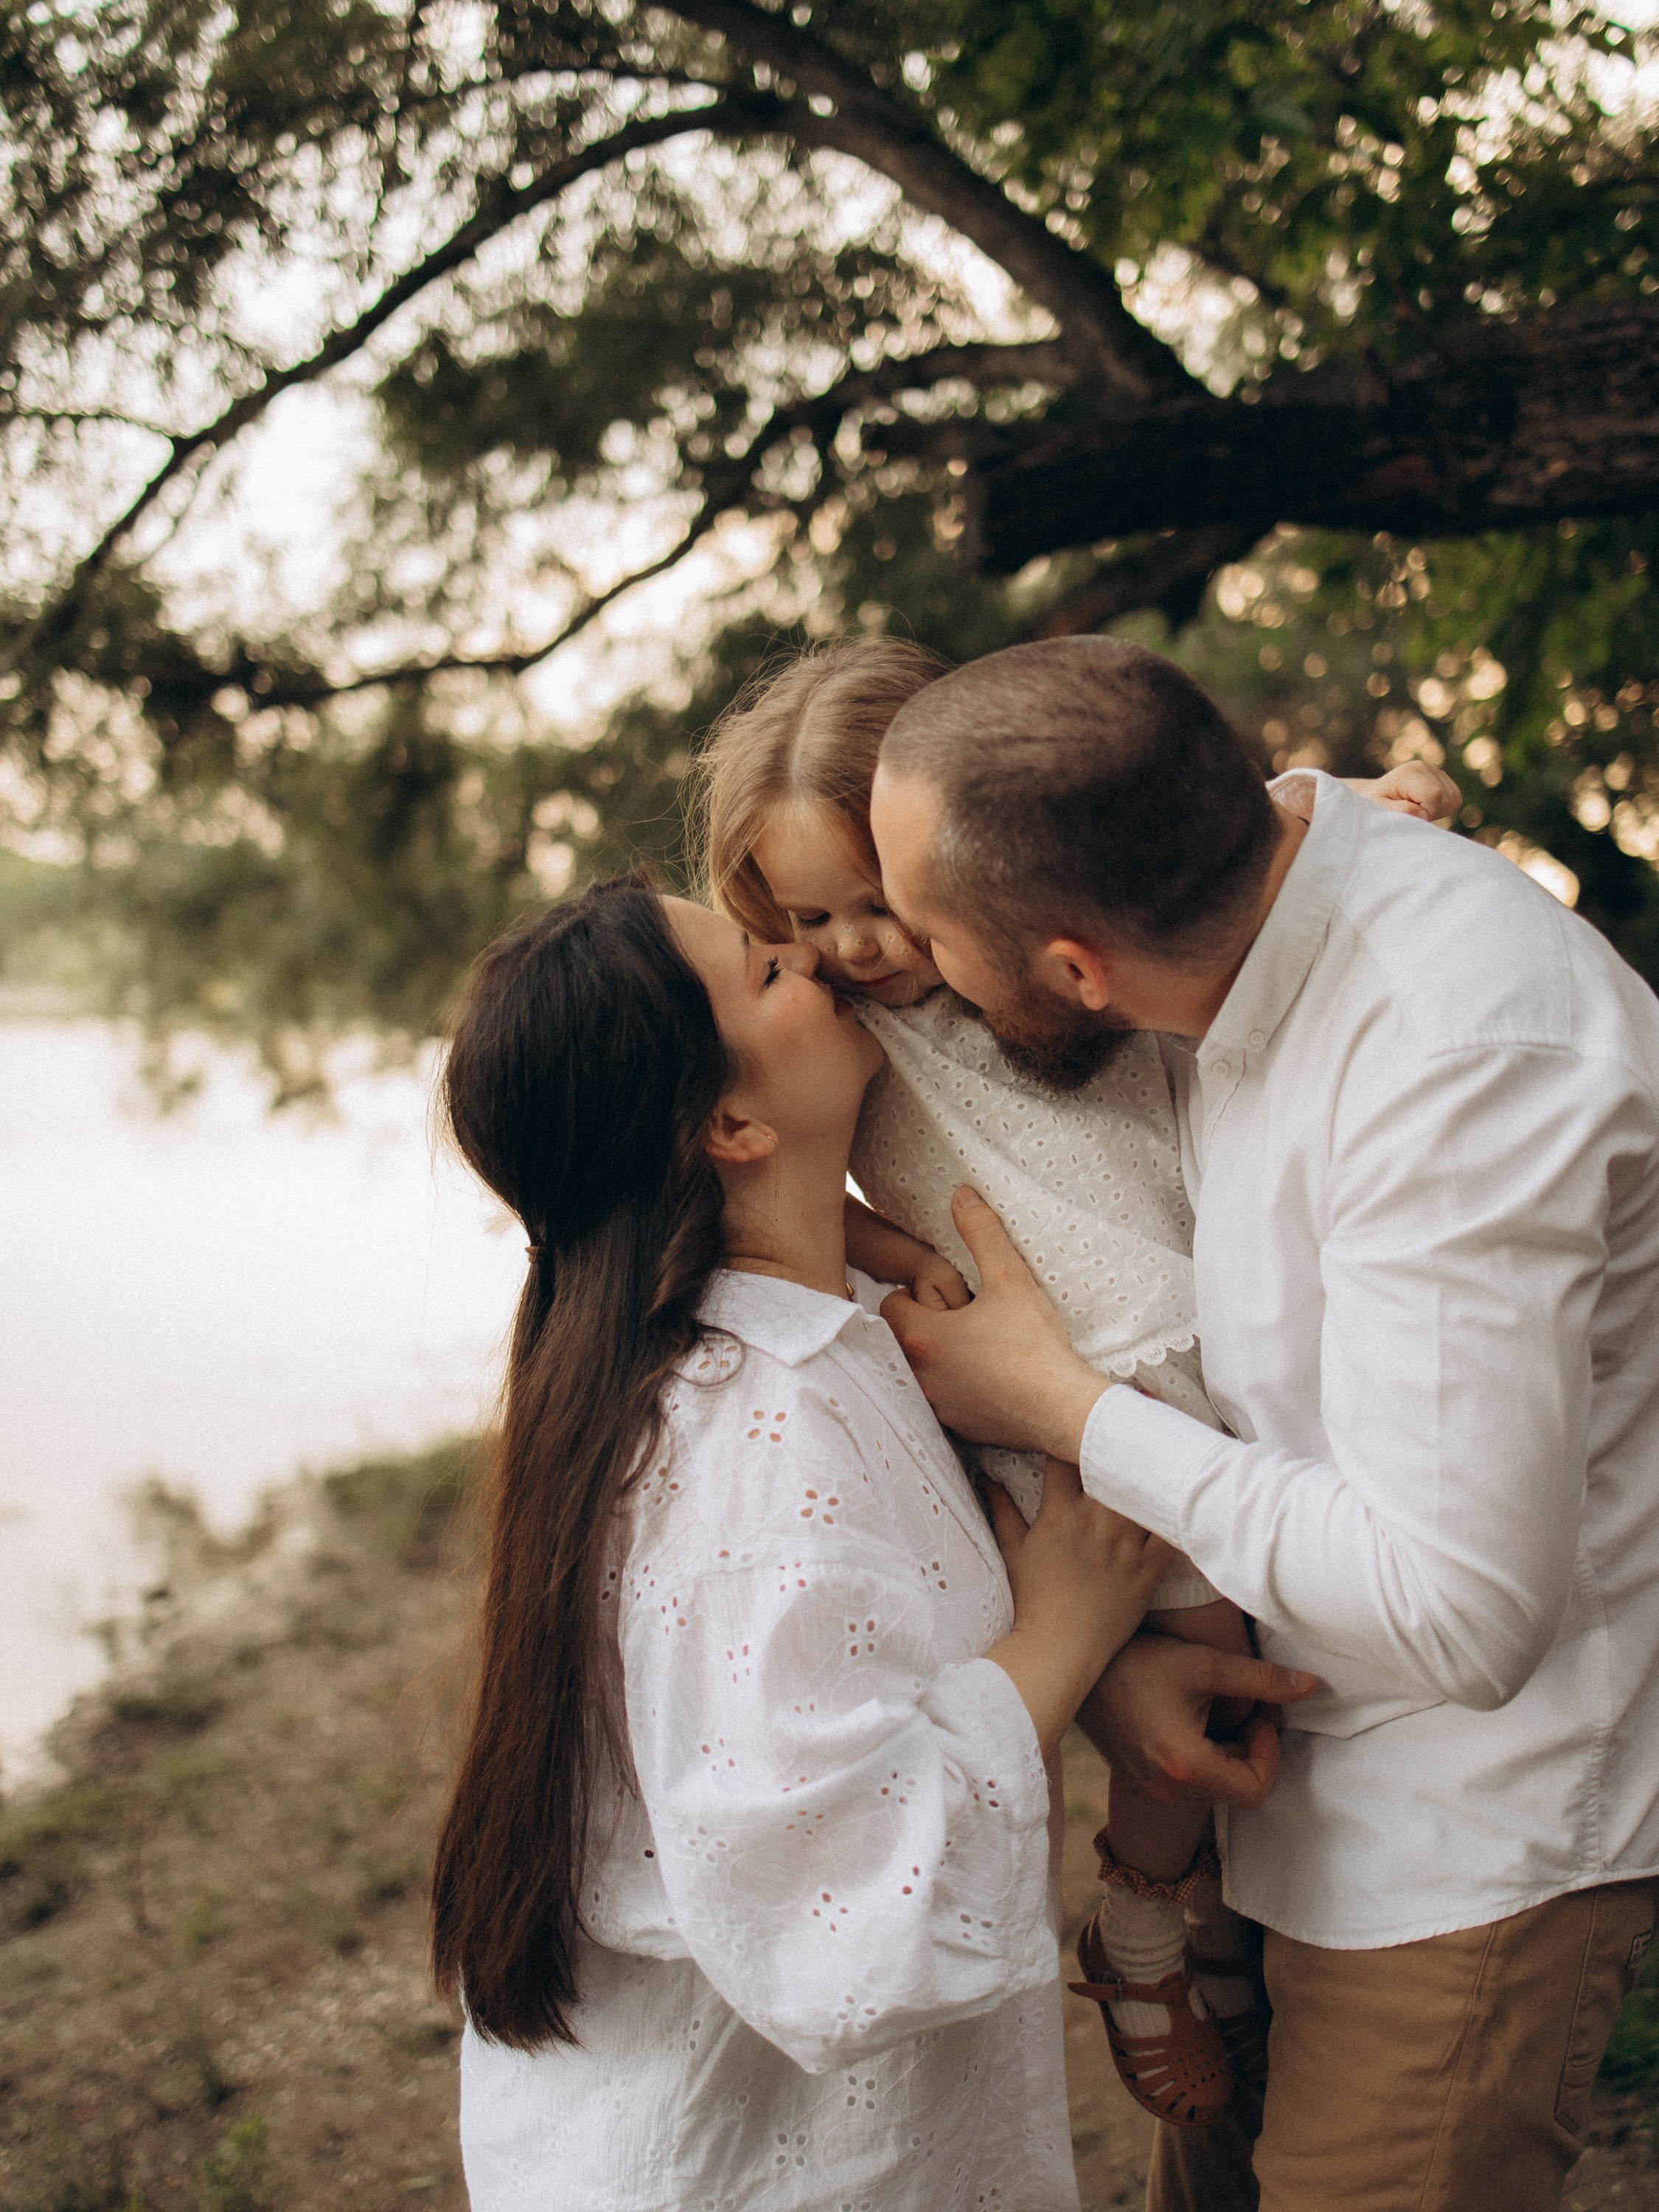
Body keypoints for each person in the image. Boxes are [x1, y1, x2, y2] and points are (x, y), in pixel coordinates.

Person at [866, 633, 1659, 2212]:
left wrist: (1066, 1410)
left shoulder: (1456, 1059)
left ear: (1074, 973)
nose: (895, 954)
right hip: (1275, 1797)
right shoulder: (1240, 895)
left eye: (927, 932)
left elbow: (1463, 1614)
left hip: (1464, 1840)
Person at [696, 636, 1455, 2126]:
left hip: (1178, 1325)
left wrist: (1345, 795)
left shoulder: (1050, 944)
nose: (858, 945)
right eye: (815, 918)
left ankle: (1216, 1915)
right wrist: (877, 1242)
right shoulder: (844, 1017)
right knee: (1203, 1640)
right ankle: (1148, 1918)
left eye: (879, 904)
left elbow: (1165, 833)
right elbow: (768, 1149)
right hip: (1057, 1368)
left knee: (1267, 1649)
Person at [429, 872, 1270, 2211]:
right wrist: (1060, 1634)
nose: (815, 967)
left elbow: (877, 1659)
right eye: (766, 972)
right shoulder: (747, 1449)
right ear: (732, 1123)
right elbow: (846, 1930)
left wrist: (1101, 1669)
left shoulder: (829, 1335)